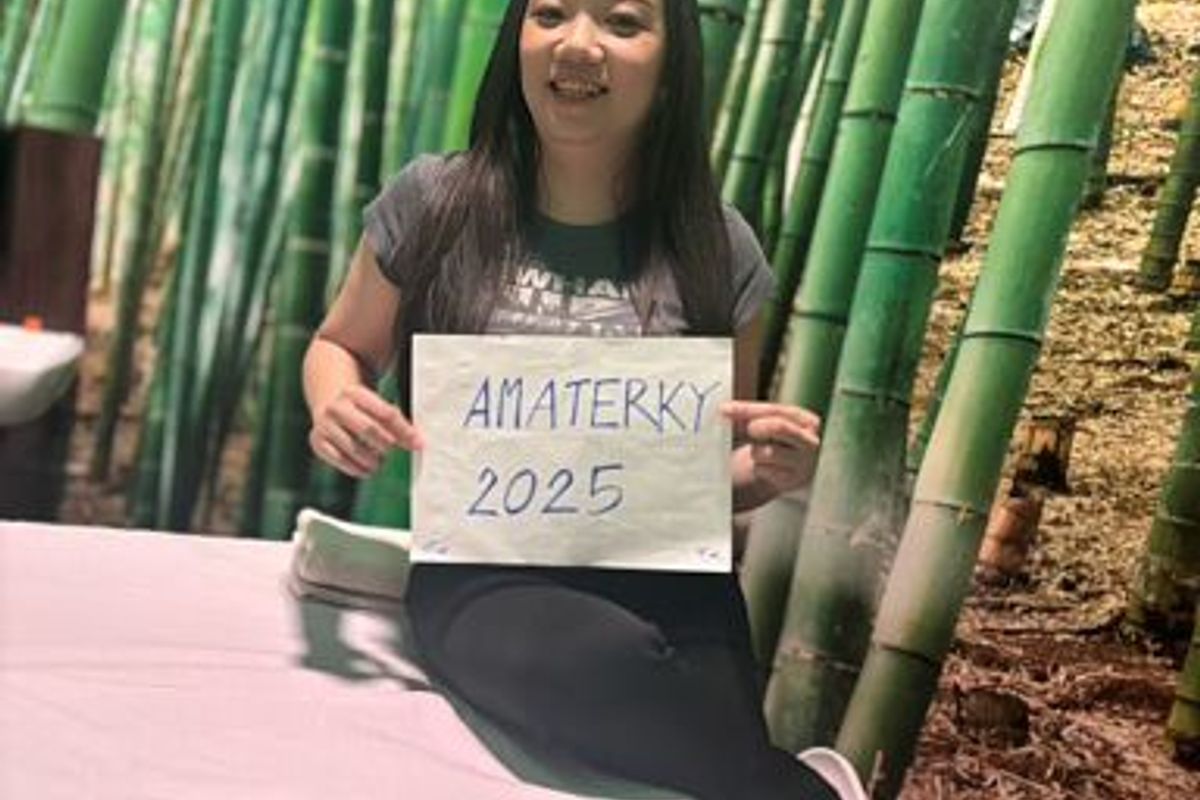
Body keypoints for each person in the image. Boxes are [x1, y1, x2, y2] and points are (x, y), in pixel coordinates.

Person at [302, 2, 868, 798]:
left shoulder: (718, 247)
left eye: (622, 23)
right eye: (550, 13)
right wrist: (336, 402)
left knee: (709, 720)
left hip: (666, 575)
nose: (577, 43)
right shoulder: (434, 202)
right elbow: (339, 346)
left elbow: (697, 483)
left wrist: (766, 472)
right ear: (518, 39)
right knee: (621, 670)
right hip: (489, 570)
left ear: (672, 67)